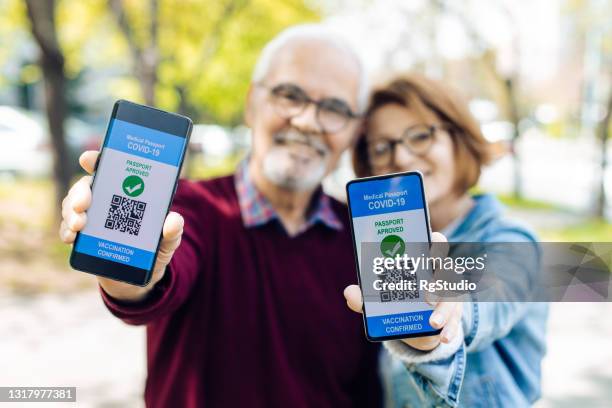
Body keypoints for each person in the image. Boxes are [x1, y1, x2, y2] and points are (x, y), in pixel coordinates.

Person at [59, 24, 383, 408]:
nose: (307, 121)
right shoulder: (191, 207)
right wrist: (119, 258)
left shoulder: (370, 236)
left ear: (354, 131)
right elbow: (145, 287)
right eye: (289, 95)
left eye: (334, 108)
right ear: (251, 103)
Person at [343, 74, 548, 407]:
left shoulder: (511, 241)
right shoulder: (381, 251)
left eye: (420, 136)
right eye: (382, 147)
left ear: (459, 138)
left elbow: (487, 297)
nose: (402, 158)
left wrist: (441, 322)